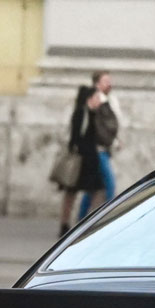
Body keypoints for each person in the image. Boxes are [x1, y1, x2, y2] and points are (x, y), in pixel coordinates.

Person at [63, 71, 118, 228]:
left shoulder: (104, 104)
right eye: (106, 80)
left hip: (93, 156)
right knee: (102, 188)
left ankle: (84, 222)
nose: (110, 83)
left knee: (92, 190)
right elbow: (79, 133)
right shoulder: (85, 111)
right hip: (86, 156)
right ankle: (81, 223)